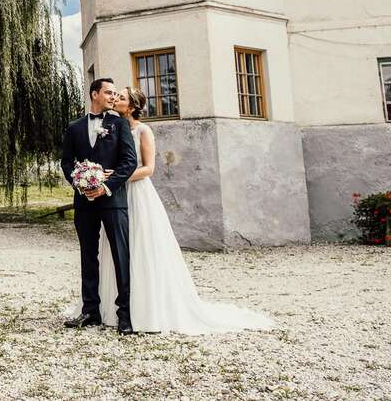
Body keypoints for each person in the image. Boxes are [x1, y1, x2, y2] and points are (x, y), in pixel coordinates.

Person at [93, 87, 275, 334]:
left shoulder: (143, 131)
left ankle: (147, 307)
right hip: (116, 193)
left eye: (122, 98)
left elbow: (148, 169)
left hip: (137, 193)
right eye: (116, 96)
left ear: (133, 107)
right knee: (116, 246)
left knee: (141, 246)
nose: (116, 99)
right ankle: (114, 306)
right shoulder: (111, 127)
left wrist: (119, 177)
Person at [60, 78, 138, 335]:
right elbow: (67, 163)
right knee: (88, 256)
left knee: (120, 255)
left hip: (113, 200)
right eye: (108, 92)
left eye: (116, 94)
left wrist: (106, 186)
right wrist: (80, 184)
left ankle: (124, 314)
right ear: (95, 94)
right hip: (84, 202)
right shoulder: (74, 127)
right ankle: (90, 311)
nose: (113, 97)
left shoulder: (120, 124)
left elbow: (129, 162)